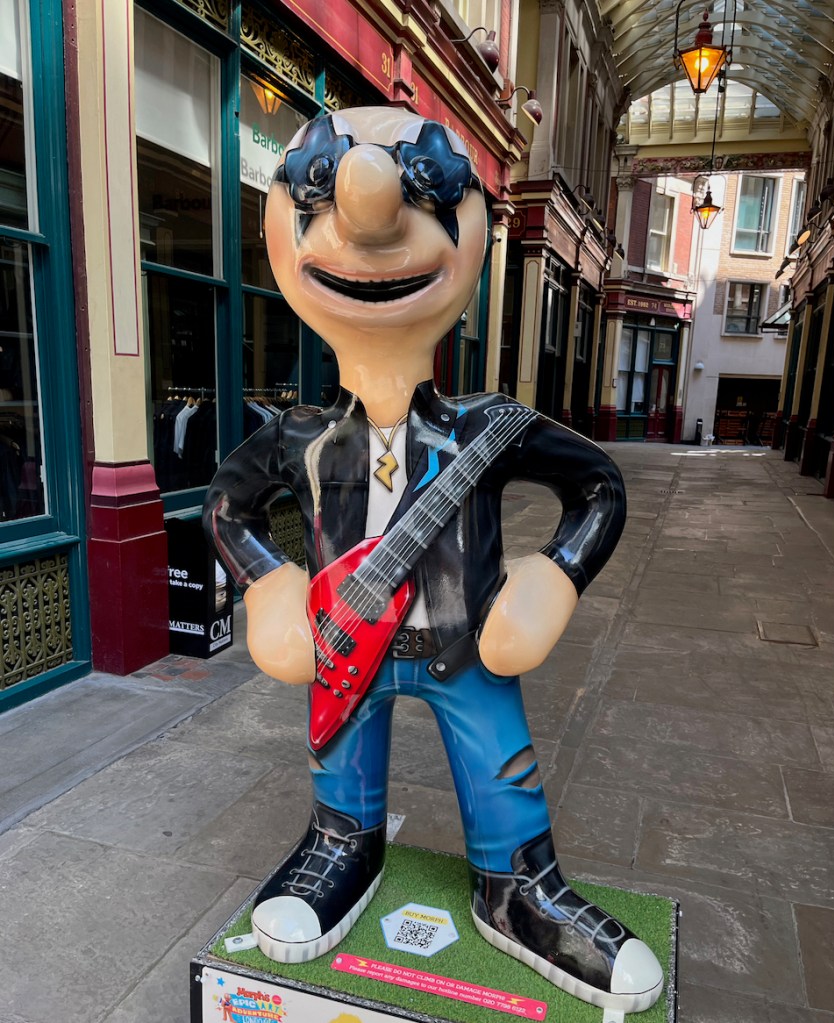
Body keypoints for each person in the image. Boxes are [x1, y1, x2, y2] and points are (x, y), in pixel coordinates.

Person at [203, 107, 663, 1014]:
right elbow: (226, 507)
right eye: (320, 194)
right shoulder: (301, 437)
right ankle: (342, 842)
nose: (367, 213)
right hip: (347, 648)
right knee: (342, 785)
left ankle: (517, 884)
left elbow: (599, 486)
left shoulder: (490, 429)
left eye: (427, 191)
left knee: (505, 780)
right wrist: (273, 583)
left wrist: (556, 571)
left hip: (464, 647)